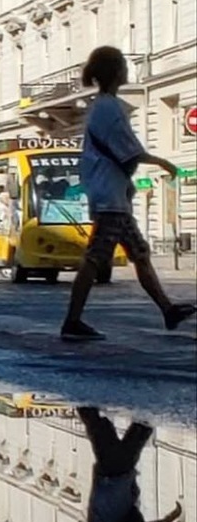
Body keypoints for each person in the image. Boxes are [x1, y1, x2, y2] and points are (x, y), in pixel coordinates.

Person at [61, 46, 196, 341]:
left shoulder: (104, 106)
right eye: (122, 65)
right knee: (96, 258)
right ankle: (72, 321)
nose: (126, 69)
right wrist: (162, 162)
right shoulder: (108, 108)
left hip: (113, 197)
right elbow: (128, 149)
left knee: (139, 254)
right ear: (115, 72)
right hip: (110, 198)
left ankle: (167, 310)